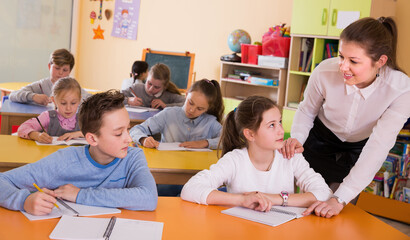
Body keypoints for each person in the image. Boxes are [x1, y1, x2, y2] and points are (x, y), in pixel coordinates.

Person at [281, 17, 410, 218]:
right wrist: (297, 138)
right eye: (341, 56)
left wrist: (339, 199)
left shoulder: (400, 90)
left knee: (335, 212)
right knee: (303, 208)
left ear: (381, 61)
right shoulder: (324, 71)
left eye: (353, 61)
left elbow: (378, 146)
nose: (342, 66)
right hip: (319, 140)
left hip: (360, 150)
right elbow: (307, 111)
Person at [0, 90, 158, 215]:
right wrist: (24, 201)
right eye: (118, 133)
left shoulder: (133, 157)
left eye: (128, 129)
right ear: (92, 139)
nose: (128, 138)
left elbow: (149, 198)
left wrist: (80, 195)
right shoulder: (64, 161)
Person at [181, 96, 332, 212]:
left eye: (280, 122)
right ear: (250, 134)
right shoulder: (235, 160)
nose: (280, 130)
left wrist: (274, 199)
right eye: (272, 125)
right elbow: (190, 189)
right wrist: (242, 200)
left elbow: (324, 193)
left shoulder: (291, 156)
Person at [130, 79, 224, 150]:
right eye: (190, 103)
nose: (192, 110)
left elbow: (230, 141)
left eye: (200, 109)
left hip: (197, 170)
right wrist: (143, 139)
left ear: (208, 108)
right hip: (168, 166)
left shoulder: (210, 122)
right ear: (186, 95)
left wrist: (205, 143)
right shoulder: (168, 114)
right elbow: (135, 129)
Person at [9, 48, 91, 105]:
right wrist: (34, 96)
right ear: (49, 66)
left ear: (70, 71)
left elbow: (91, 99)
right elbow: (13, 95)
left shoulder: (73, 87)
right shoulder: (41, 86)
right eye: (57, 68)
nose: (60, 73)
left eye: (65, 70)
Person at [17, 77, 84, 143]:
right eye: (63, 103)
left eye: (73, 103)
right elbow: (23, 128)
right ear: (54, 100)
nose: (68, 108)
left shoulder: (83, 118)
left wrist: (79, 133)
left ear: (79, 100)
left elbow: (94, 132)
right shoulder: (48, 116)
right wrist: (37, 135)